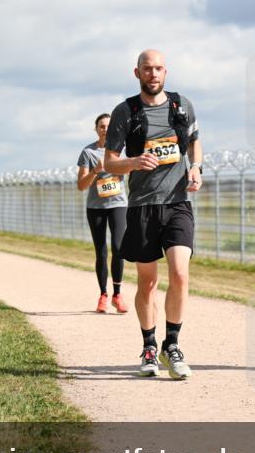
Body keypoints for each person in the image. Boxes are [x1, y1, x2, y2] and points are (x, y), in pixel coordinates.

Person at [104, 49, 202, 380]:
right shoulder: (125, 112)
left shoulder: (182, 105)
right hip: (142, 206)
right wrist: (133, 162)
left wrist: (197, 168)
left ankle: (171, 344)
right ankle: (148, 346)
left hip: (177, 204)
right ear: (137, 73)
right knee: (148, 282)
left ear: (166, 72)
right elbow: (109, 161)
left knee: (180, 274)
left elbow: (196, 141)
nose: (154, 74)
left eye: (159, 68)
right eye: (148, 69)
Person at [77, 113, 129, 314]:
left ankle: (117, 294)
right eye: (101, 126)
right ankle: (103, 295)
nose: (105, 129)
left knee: (118, 247)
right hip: (96, 208)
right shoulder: (88, 152)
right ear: (96, 129)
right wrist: (96, 171)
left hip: (118, 204)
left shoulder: (122, 151)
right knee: (101, 251)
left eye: (108, 126)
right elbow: (81, 185)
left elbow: (132, 171)